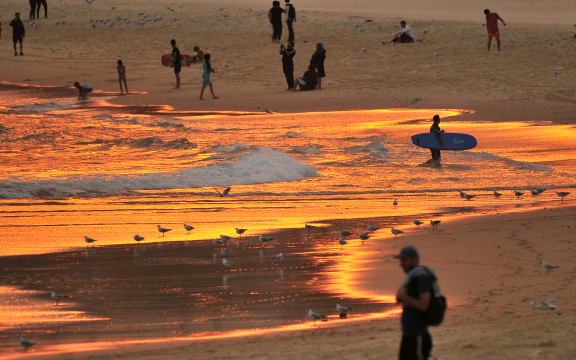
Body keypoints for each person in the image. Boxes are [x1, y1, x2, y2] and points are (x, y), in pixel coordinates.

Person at [395, 246, 437, 360]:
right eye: (400, 261)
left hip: (418, 334)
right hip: (409, 335)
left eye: (404, 260)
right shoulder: (412, 277)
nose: (401, 264)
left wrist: (404, 297)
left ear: (413, 260)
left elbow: (424, 305)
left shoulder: (421, 277)